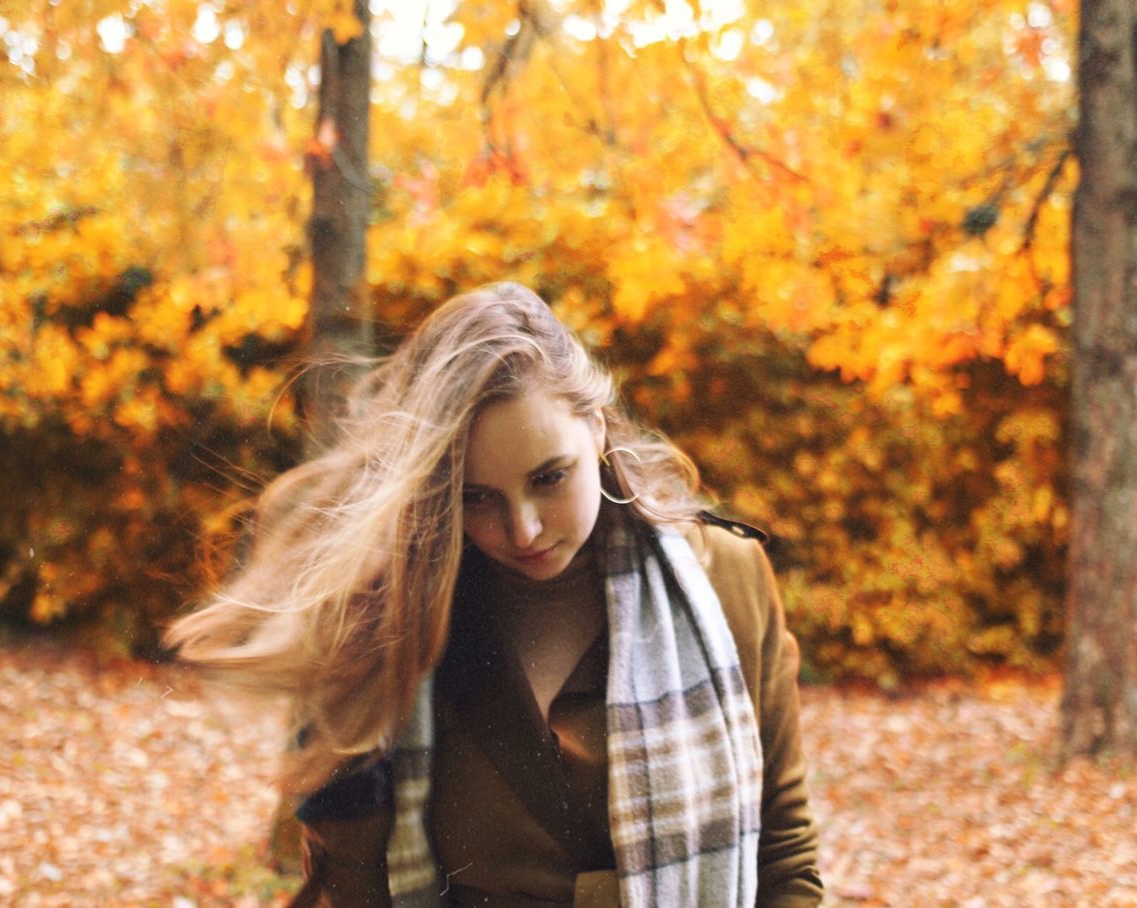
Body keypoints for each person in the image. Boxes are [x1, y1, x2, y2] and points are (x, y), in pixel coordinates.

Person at [166, 282, 822, 907]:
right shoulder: (392, 623)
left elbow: (786, 852)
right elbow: (356, 885)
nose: (523, 529)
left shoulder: (726, 582)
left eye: (549, 477)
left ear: (595, 428)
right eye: (476, 497)